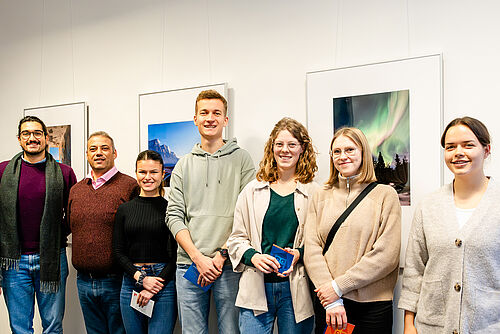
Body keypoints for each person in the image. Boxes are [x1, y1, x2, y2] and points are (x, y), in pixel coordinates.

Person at [399, 117, 500, 334]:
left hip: (487, 326)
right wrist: (409, 324)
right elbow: (415, 270)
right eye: (450, 147)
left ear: (487, 149)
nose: (458, 152)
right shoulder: (429, 205)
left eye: (468, 145)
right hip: (433, 327)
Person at [167, 89, 255, 333]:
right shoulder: (183, 164)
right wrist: (198, 257)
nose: (210, 118)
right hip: (189, 265)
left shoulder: (242, 160)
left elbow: (248, 213)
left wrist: (220, 256)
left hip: (229, 265)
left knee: (230, 331)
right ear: (195, 119)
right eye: (203, 112)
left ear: (225, 120)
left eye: (217, 113)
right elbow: (173, 215)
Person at [304, 127, 401, 334]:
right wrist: (332, 298)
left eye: (350, 149)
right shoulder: (320, 195)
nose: (342, 156)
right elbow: (311, 249)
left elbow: (387, 255)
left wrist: (339, 287)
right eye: (336, 151)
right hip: (330, 304)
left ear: (363, 153)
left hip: (372, 306)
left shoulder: (386, 195)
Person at [228, 117, 318, 334]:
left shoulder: (315, 193)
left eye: (292, 144)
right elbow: (236, 239)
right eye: (279, 144)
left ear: (302, 148)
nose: (285, 150)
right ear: (272, 148)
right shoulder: (251, 191)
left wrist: (299, 253)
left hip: (296, 288)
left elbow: (321, 242)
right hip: (256, 287)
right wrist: (254, 257)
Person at [0, 116, 77, 334]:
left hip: (52, 257)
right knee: (19, 327)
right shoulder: (3, 171)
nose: (32, 138)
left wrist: (56, 234)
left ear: (45, 138)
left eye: (37, 133)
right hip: (14, 262)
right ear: (19, 139)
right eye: (26, 133)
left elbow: (72, 214)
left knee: (53, 326)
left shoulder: (64, 173)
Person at [68, 131, 139, 334]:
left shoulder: (129, 186)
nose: (98, 153)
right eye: (93, 149)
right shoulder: (76, 190)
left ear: (114, 153)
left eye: (104, 148)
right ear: (87, 155)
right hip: (83, 281)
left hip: (117, 280)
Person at [113, 150, 177, 333]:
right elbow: (118, 252)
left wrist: (153, 286)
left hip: (162, 282)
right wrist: (141, 278)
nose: (148, 177)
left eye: (153, 172)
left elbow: (176, 255)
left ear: (163, 174)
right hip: (131, 281)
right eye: (143, 172)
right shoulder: (124, 210)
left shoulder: (170, 210)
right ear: (136, 174)